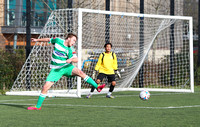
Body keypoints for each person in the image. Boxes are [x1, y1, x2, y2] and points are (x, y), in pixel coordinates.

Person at [27, 33, 105, 110]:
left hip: (66, 67)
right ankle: (38, 106)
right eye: (73, 40)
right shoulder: (58, 41)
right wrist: (37, 40)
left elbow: (76, 59)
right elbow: (48, 39)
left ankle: (97, 86)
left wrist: (70, 59)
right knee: (45, 87)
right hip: (56, 70)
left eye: (75, 41)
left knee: (80, 73)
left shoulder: (71, 49)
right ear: (68, 38)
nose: (74, 42)